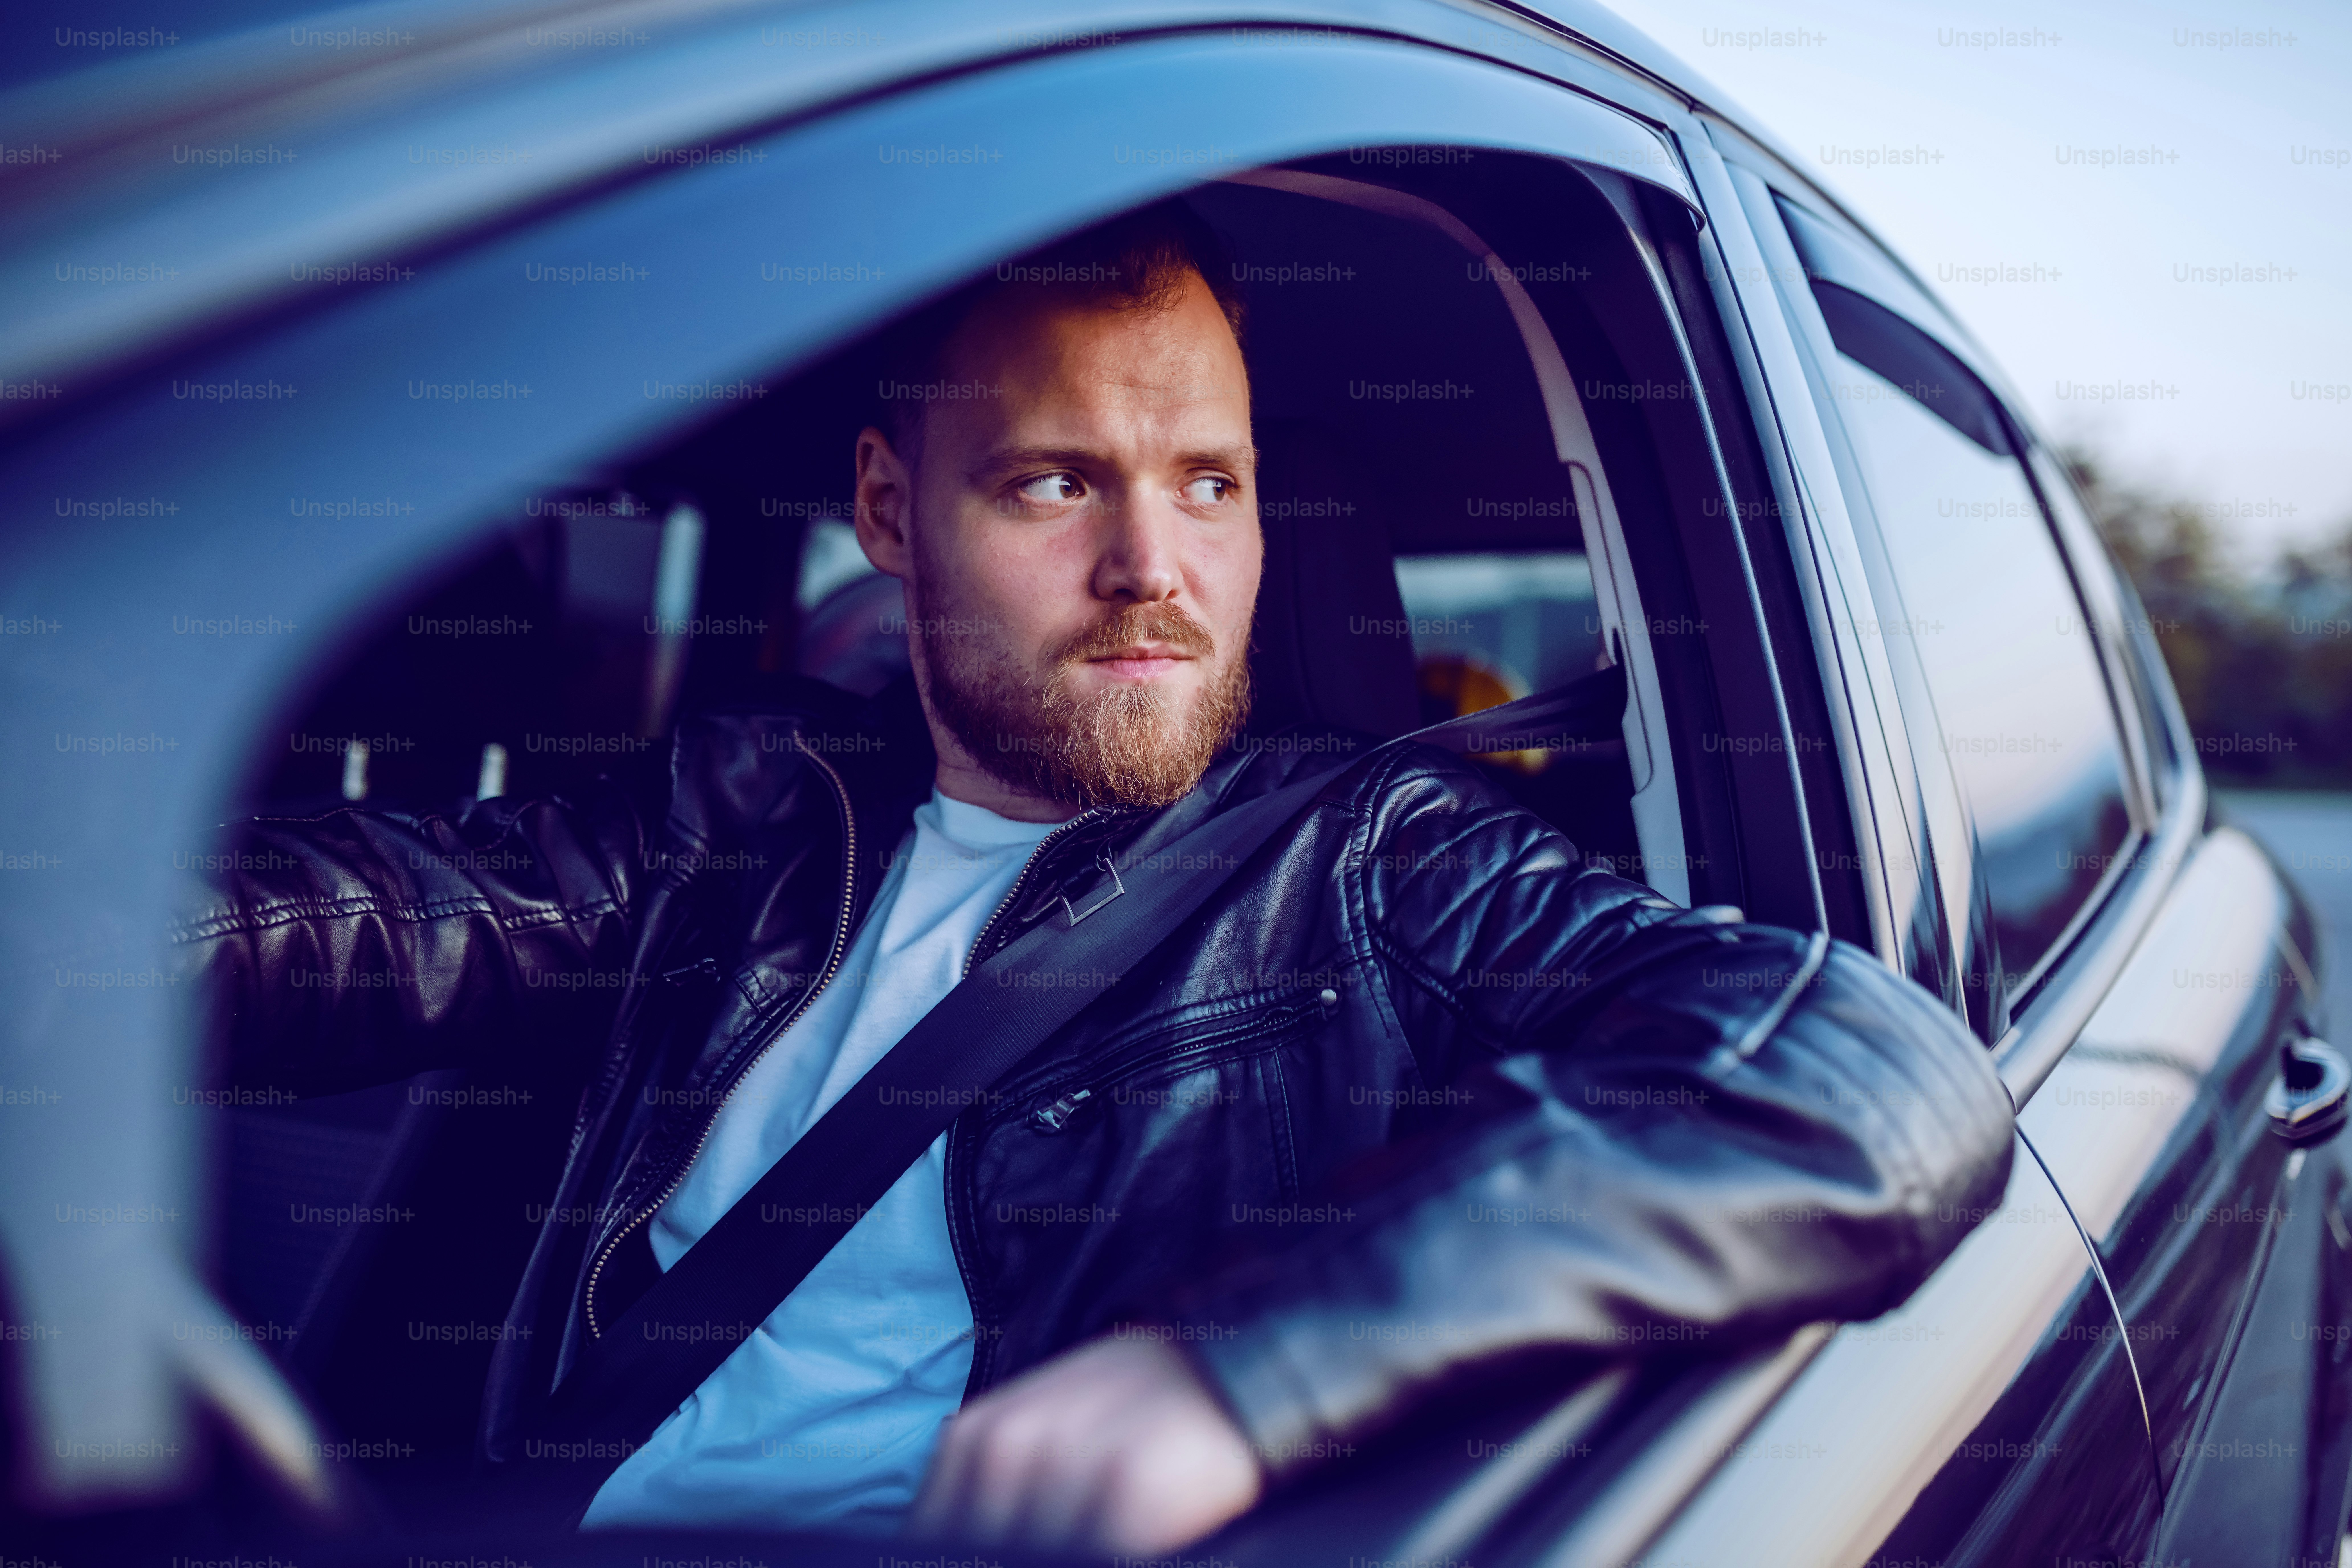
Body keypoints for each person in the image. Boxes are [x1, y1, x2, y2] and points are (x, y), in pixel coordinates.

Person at [175, 201, 2014, 1555]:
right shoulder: (748, 810)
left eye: (1209, 482)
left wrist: (1248, 1369)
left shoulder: (1376, 868)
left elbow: (1866, 1077)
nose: (1157, 563)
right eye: (1060, 484)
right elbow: (357, 915)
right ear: (894, 518)